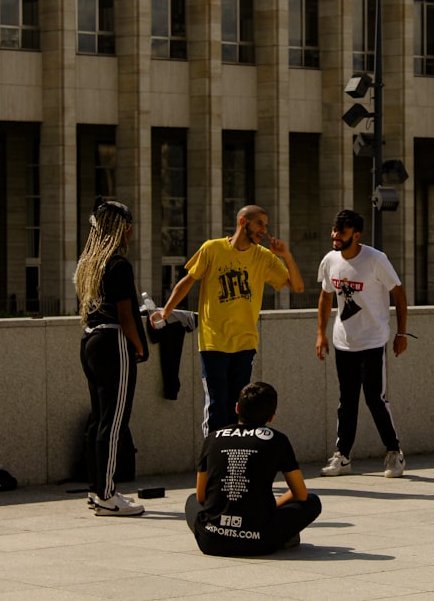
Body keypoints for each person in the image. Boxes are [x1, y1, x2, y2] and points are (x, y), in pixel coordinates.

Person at [151, 205, 304, 437]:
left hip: (245, 342)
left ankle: (233, 457)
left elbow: (297, 286)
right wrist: (165, 313)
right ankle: (212, 462)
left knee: (239, 406)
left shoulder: (263, 257)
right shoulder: (212, 249)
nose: (264, 230)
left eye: (266, 224)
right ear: (243, 222)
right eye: (260, 223)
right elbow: (187, 281)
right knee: (216, 405)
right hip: (214, 342)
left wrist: (286, 256)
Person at [315, 209, 408, 478]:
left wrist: (401, 334)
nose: (334, 236)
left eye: (341, 232)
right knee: (347, 401)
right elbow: (324, 297)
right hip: (344, 341)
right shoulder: (330, 260)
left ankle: (394, 452)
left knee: (374, 399)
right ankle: (342, 456)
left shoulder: (376, 259)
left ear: (356, 235)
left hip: (373, 340)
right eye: (334, 230)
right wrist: (321, 333)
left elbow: (399, 295)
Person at [185, 382, 322, 556]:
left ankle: (219, 532)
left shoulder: (212, 439)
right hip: (260, 540)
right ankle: (283, 536)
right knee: (312, 502)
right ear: (271, 417)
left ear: (236, 408)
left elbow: (201, 496)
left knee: (191, 500)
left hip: (211, 541)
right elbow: (300, 494)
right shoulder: (278, 440)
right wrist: (275, 504)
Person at [74, 198, 149, 517]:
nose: (131, 233)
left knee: (99, 419)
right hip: (113, 339)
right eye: (128, 227)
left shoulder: (89, 264)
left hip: (91, 340)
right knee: (114, 421)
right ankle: (106, 493)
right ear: (123, 230)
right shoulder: (118, 264)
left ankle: (97, 489)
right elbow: (125, 314)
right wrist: (139, 346)